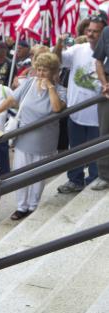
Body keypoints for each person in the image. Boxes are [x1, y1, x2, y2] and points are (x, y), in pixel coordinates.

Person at [0, 53, 66, 220]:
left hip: (45, 141)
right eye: (39, 70)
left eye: (45, 71)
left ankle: (33, 206)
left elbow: (57, 108)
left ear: (54, 71)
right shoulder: (29, 83)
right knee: (21, 173)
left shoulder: (61, 90)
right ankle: (21, 206)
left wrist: (50, 86)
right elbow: (11, 100)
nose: (40, 74)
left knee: (38, 175)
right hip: (24, 138)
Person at [55, 14, 106, 194]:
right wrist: (59, 44)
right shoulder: (78, 49)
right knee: (74, 151)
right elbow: (59, 61)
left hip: (97, 117)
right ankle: (75, 180)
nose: (91, 34)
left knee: (95, 154)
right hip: (75, 114)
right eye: (89, 30)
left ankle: (93, 181)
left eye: (96, 31)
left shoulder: (106, 54)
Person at [93, 16, 109, 190]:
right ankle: (105, 175)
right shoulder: (106, 32)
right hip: (107, 90)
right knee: (105, 132)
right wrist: (104, 83)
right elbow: (98, 60)